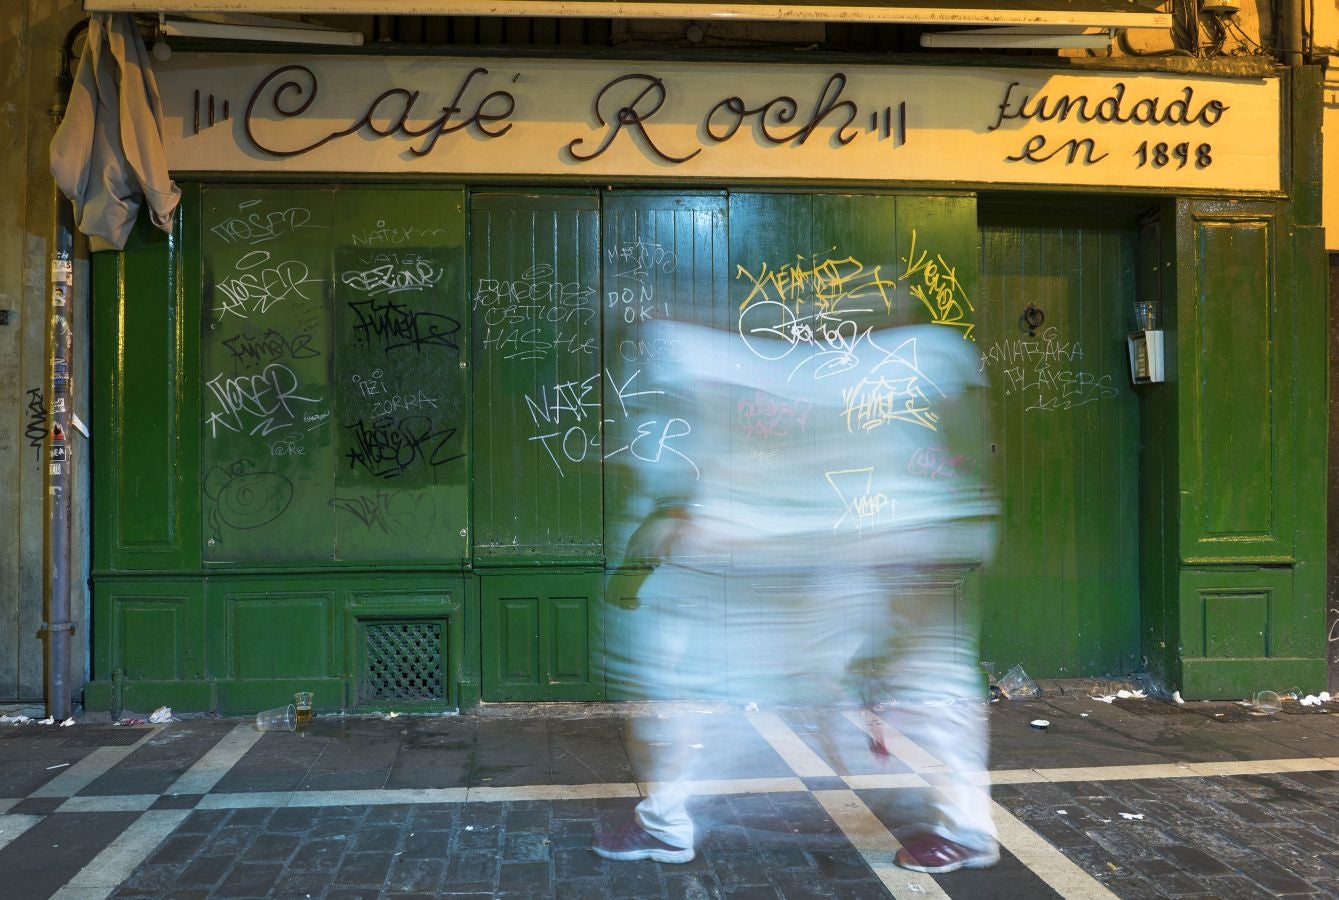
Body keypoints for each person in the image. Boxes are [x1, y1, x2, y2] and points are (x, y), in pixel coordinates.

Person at [593, 310, 1000, 873]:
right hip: (846, 546)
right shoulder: (907, 359)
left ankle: (966, 827)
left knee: (925, 679)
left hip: (870, 545)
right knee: (699, 675)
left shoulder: (718, 362)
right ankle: (666, 818)